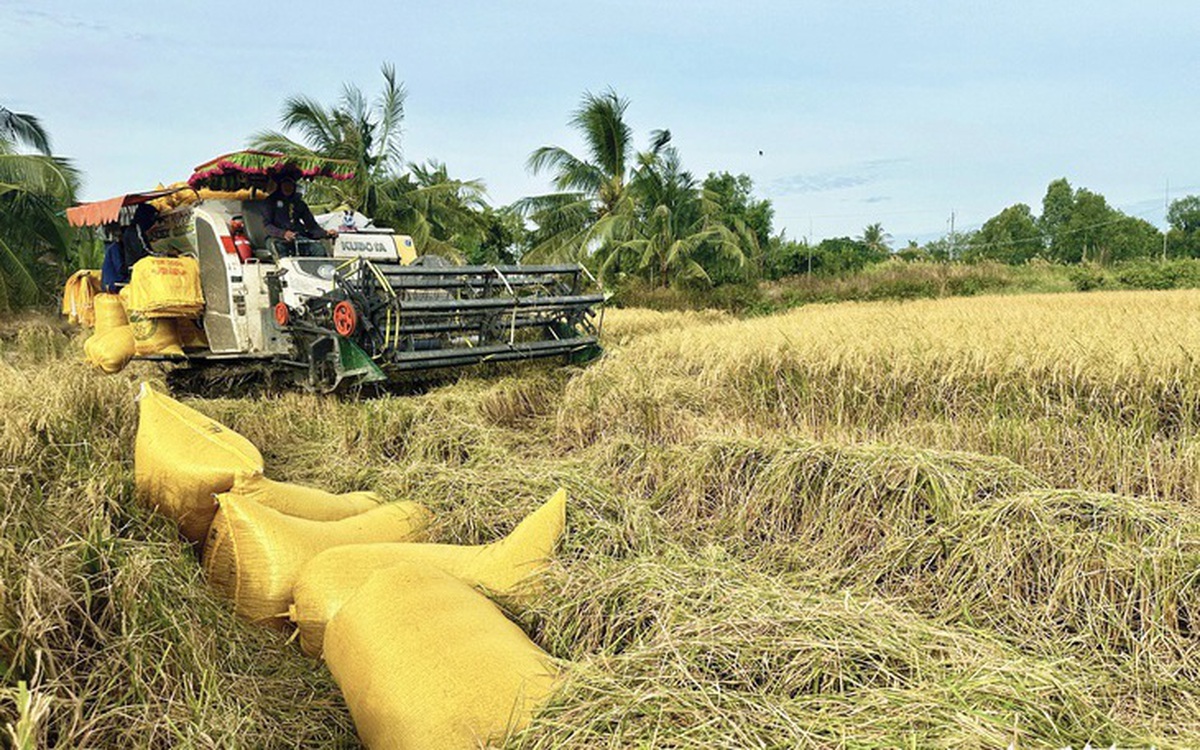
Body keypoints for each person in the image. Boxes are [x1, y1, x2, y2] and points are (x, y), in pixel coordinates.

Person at [261, 173, 337, 258]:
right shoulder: (270, 202)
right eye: (285, 184)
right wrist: (283, 234)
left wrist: (325, 233)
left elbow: (311, 226)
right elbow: (267, 226)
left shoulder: (299, 203)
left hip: (298, 237)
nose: (287, 187)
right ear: (280, 186)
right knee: (279, 249)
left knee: (318, 249)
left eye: (290, 184)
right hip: (277, 239)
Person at [121, 203, 159, 273]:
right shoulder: (136, 230)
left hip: (135, 267)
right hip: (139, 268)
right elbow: (144, 251)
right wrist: (164, 254)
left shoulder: (131, 229)